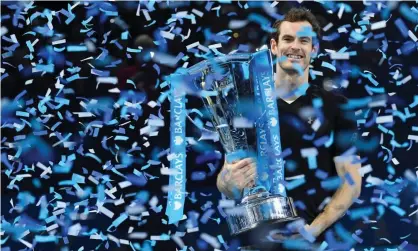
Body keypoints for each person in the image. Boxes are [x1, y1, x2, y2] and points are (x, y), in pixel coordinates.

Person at [216, 7, 362, 250]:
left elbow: (352, 182)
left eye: (304, 40)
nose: (295, 46)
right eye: (288, 39)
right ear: (274, 46)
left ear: (313, 49)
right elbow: (226, 180)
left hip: (314, 241)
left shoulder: (336, 105)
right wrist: (230, 181)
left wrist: (311, 231)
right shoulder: (245, 105)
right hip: (256, 241)